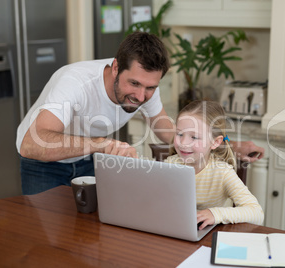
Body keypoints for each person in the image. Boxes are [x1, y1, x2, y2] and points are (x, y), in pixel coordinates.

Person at [16, 31, 264, 195]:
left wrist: (228, 146)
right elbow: (31, 144)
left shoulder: (145, 89)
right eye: (133, 84)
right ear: (115, 67)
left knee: (88, 236)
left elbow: (168, 132)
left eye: (150, 87)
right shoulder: (74, 82)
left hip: (90, 161)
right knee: (44, 238)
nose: (141, 96)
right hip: (44, 165)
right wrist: (100, 144)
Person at [165, 100, 264, 230]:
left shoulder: (223, 172)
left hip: (211, 236)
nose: (183, 143)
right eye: (179, 134)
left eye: (194, 137)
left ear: (215, 142)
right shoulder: (169, 165)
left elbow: (257, 213)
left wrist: (215, 214)